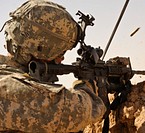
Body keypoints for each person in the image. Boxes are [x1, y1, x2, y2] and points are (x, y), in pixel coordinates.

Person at [0, 0, 106, 132]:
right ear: (40, 49)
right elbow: (78, 112)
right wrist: (88, 84)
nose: (62, 59)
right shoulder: (10, 89)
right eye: (61, 52)